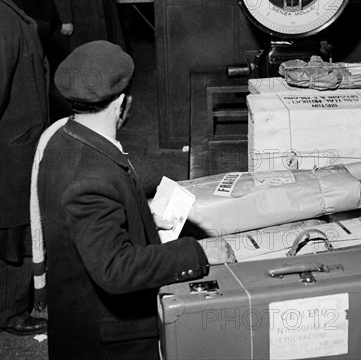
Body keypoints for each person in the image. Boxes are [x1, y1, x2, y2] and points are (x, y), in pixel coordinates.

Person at [36, 40, 235, 359]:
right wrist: (198, 252)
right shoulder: (91, 179)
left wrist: (138, 215)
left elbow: (80, 224)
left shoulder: (63, 140)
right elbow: (115, 269)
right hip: (108, 340)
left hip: (78, 318)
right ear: (122, 105)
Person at [0, 0, 48, 336]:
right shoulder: (2, 20)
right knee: (12, 229)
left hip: (14, 142)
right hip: (11, 150)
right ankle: (12, 311)